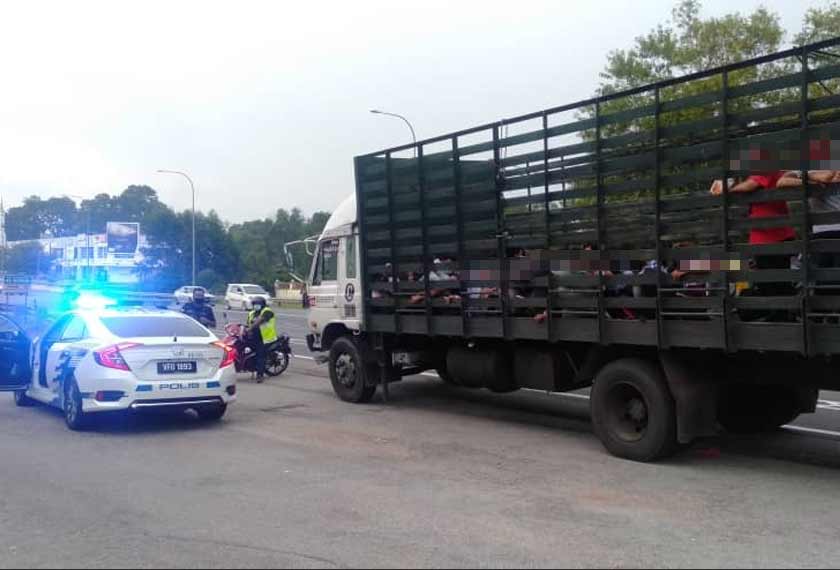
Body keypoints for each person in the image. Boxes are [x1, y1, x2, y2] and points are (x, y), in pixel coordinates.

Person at [246, 296, 278, 382]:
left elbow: (260, 320)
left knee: (260, 355)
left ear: (262, 305)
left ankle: (260, 375)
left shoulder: (267, 311)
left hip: (265, 338)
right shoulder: (251, 313)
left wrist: (250, 328)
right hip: (254, 337)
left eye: (258, 304)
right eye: (254, 304)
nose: (256, 306)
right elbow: (247, 324)